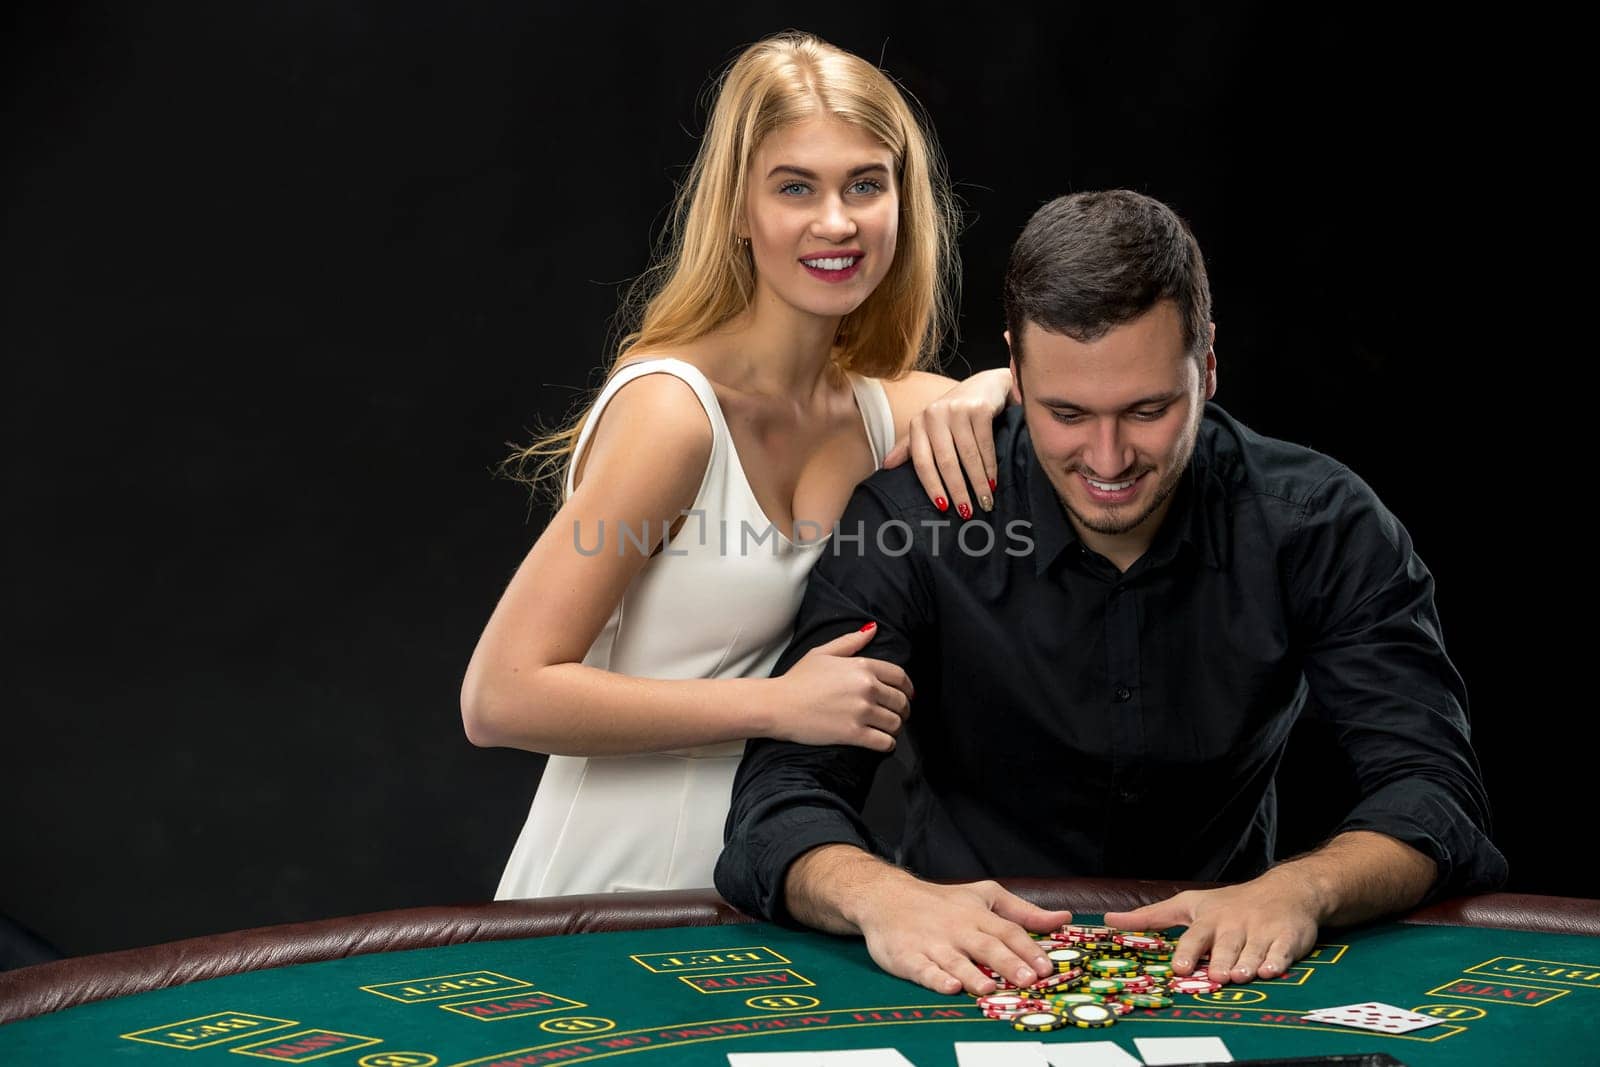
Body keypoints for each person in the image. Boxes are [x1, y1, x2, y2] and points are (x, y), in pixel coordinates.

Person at [716, 189, 1507, 995]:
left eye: (1147, 409)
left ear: (1207, 365)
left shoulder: (1321, 524)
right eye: (1067, 412)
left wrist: (1299, 889)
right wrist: (881, 895)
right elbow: (778, 804)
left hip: (1234, 977)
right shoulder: (912, 521)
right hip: (955, 974)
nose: (1108, 457)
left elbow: (1433, 791)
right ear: (1014, 374)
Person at [459, 32, 1018, 898]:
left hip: (775, 894)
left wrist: (985, 386)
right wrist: (779, 705)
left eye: (865, 184)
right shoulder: (674, 415)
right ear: (737, 209)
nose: (836, 222)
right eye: (796, 187)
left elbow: (1065, 399)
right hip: (604, 896)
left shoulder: (880, 410)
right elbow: (500, 695)